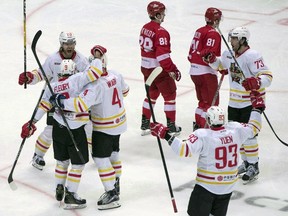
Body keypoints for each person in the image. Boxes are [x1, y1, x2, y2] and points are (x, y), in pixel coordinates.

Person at [149, 91, 265, 216]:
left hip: (207, 187)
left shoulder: (203, 136)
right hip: (228, 186)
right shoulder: (235, 130)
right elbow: (254, 127)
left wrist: (165, 135)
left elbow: (183, 150)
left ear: (209, 119)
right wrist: (257, 109)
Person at [51, 45, 129, 210]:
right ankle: (116, 183)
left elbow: (80, 104)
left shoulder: (94, 86)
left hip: (104, 127)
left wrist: (61, 101)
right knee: (115, 153)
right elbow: (125, 91)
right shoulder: (116, 73)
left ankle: (111, 193)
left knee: (101, 159)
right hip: (120, 123)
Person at [20, 58, 103, 210]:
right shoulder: (77, 79)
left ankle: (59, 186)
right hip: (75, 129)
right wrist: (97, 59)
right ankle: (70, 194)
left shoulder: (52, 86)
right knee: (78, 164)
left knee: (62, 161)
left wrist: (32, 123)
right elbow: (95, 73)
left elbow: (44, 105)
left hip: (58, 128)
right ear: (73, 71)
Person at [202, 26, 273, 183]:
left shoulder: (252, 56)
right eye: (231, 38)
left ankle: (254, 165)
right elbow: (221, 66)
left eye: (234, 39)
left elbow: (267, 76)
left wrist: (255, 82)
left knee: (250, 135)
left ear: (242, 39)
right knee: (236, 134)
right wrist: (212, 59)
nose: (231, 41)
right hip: (234, 101)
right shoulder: (228, 54)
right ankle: (245, 162)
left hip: (250, 102)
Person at [18, 32, 90, 170]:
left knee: (86, 127)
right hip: (54, 98)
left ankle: (96, 154)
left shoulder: (81, 61)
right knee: (51, 130)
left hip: (74, 101)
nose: (69, 46)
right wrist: (30, 77)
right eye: (66, 43)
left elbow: (89, 80)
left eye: (71, 43)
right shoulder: (53, 59)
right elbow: (41, 74)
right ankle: (38, 156)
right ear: (61, 44)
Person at [139, 1, 182, 136]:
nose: (164, 15)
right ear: (157, 15)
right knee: (170, 95)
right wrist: (173, 70)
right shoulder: (161, 32)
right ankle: (171, 127)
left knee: (151, 95)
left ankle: (145, 124)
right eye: (162, 13)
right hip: (158, 70)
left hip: (145, 67)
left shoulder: (144, 27)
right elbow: (162, 56)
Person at [187, 7, 226, 130]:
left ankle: (198, 126)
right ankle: (206, 130)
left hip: (194, 71)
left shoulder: (199, 30)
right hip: (206, 73)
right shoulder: (213, 34)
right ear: (215, 20)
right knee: (211, 104)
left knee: (202, 103)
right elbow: (209, 55)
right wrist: (220, 67)